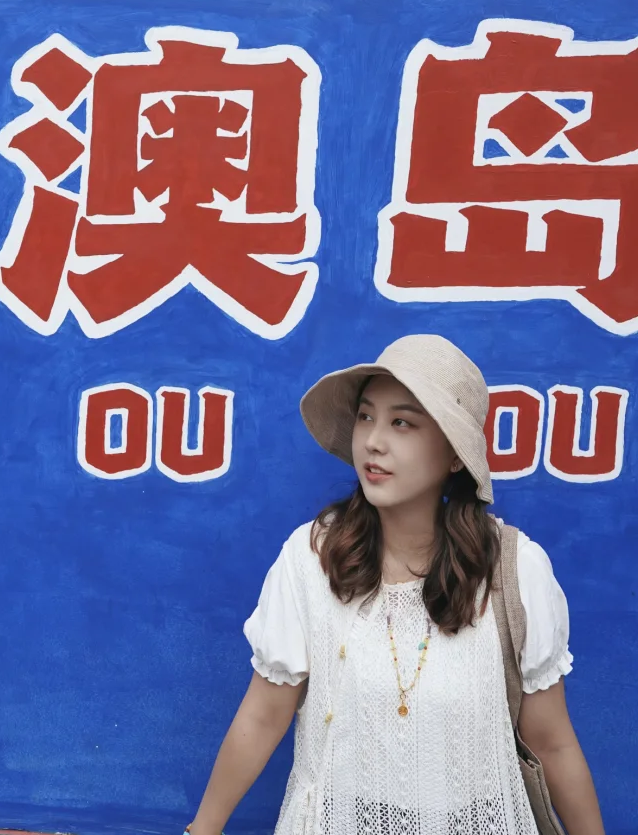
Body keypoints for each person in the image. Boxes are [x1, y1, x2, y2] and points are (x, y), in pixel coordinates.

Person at [185, 334, 605, 835]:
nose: (373, 441)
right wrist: (201, 830)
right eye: (366, 417)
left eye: (402, 422)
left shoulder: (513, 571)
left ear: (455, 454)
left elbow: (552, 742)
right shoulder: (314, 558)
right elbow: (263, 715)